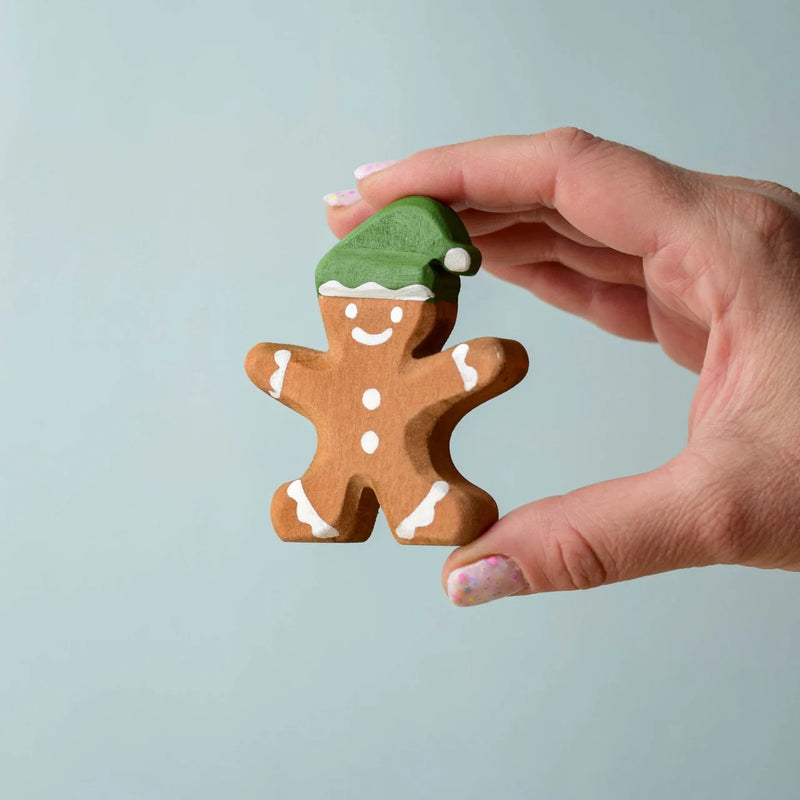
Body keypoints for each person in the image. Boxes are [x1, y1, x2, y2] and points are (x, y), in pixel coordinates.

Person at [323, 128, 800, 606]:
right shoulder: (339, 369)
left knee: (415, 486)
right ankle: (321, 506)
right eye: (348, 311)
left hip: (414, 478)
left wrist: (468, 369)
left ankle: (413, 510)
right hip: (334, 472)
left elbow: (447, 377)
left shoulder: (412, 364)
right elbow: (301, 376)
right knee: (335, 487)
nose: (369, 323)